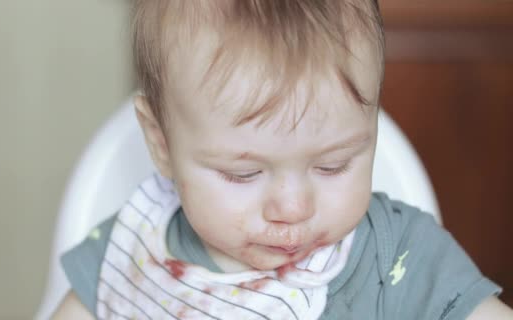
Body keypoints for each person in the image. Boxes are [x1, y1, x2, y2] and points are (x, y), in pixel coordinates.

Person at [51, 1, 513, 319]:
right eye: (243, 173)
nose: (292, 209)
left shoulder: (400, 255)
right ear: (161, 144)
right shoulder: (134, 252)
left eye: (332, 165)